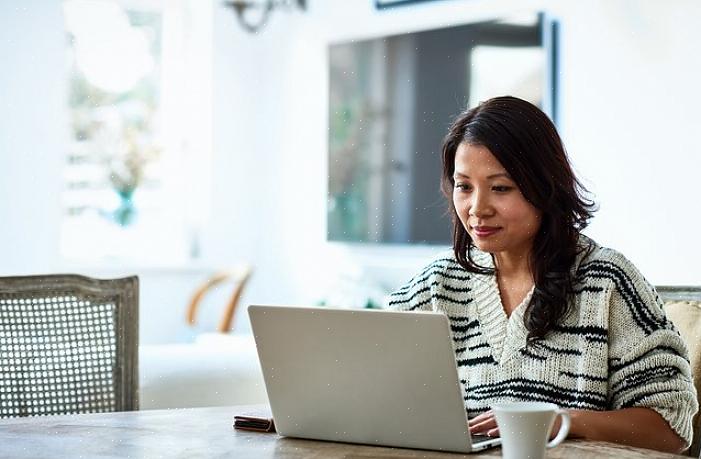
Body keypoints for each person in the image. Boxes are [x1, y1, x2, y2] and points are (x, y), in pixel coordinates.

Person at [387, 96, 697, 453]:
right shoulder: (434, 285)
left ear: (545, 186)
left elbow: (671, 428)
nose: (477, 208)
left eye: (501, 188)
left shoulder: (607, 282)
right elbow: (374, 395)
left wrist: (561, 421)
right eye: (464, 186)